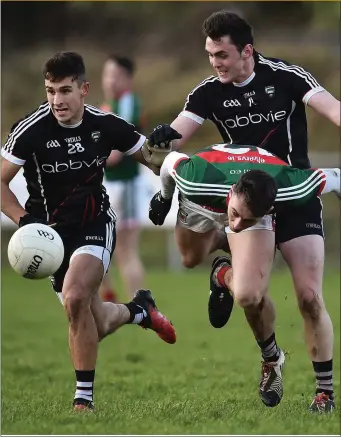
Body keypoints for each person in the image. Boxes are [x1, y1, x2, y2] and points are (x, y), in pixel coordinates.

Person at [146, 10, 340, 412]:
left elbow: (334, 110)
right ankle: (271, 356)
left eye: (221, 54)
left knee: (309, 297)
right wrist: (166, 136)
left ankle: (325, 392)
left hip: (295, 193)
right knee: (250, 295)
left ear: (246, 51)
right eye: (210, 54)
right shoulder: (209, 91)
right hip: (251, 204)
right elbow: (177, 134)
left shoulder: (287, 76)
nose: (214, 62)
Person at [1, 51, 176, 411]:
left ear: (84, 89)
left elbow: (155, 159)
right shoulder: (31, 129)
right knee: (94, 320)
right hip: (49, 237)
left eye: (65, 91)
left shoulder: (105, 123)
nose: (56, 100)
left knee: (76, 297)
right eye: (50, 91)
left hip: (94, 224)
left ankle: (83, 401)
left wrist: (165, 144)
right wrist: (23, 220)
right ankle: (139, 311)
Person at [148, 143, 340, 410]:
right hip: (205, 199)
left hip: (251, 195)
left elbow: (335, 177)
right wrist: (164, 197)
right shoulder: (197, 178)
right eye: (236, 217)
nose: (236, 225)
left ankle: (276, 360)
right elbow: (169, 161)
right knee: (189, 258)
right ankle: (223, 272)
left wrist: (247, 219)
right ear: (234, 192)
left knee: (248, 294)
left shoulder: (289, 185)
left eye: (246, 222)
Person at [100, 54, 146, 303]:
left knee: (126, 249)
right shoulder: (108, 107)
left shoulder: (127, 104)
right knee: (112, 247)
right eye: (107, 75)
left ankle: (140, 306)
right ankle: (116, 298)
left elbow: (115, 156)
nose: (110, 81)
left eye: (116, 76)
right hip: (110, 186)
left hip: (125, 184)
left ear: (128, 79)